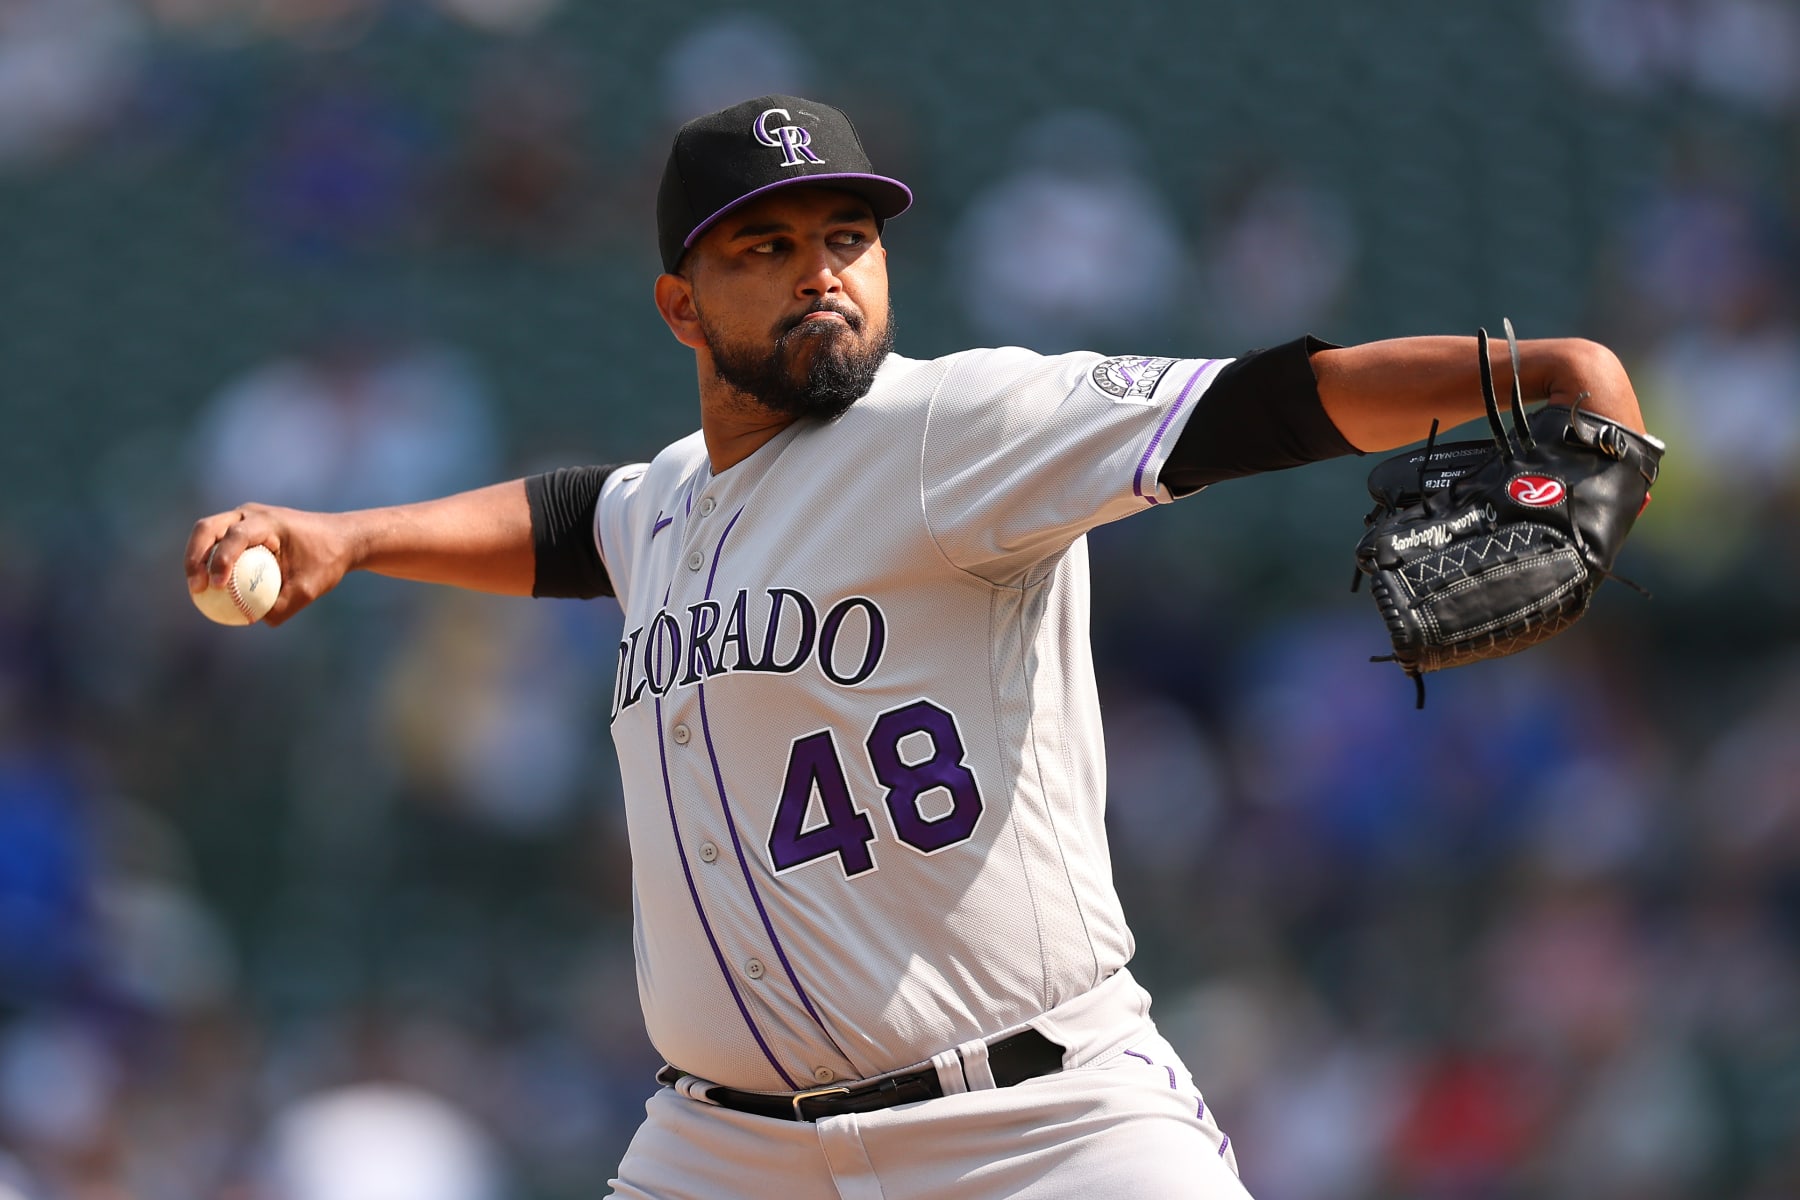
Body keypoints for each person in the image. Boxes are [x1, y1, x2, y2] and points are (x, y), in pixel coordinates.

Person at [184, 95, 1652, 1199]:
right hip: (726, 1149)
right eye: (767, 248)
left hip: (1040, 1125)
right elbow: (581, 523)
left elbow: (1260, 406)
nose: (822, 272)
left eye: (847, 238)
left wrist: (1526, 374)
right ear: (680, 307)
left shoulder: (957, 428)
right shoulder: (673, 506)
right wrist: (358, 536)